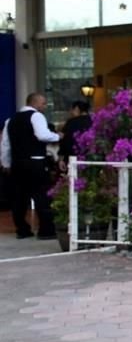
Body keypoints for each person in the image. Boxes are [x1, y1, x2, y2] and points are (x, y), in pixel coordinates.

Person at [0, 92, 60, 239]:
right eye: (43, 103)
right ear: (35, 103)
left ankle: (22, 230)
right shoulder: (36, 116)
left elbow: (5, 144)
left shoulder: (10, 120)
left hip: (17, 164)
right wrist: (58, 136)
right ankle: (46, 231)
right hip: (36, 162)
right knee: (42, 196)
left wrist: (6, 163)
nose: (45, 106)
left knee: (19, 198)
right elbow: (42, 135)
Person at [58, 100, 92, 168]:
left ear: (76, 109)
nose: (71, 112)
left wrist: (61, 159)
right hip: (91, 157)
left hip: (72, 157)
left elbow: (64, 140)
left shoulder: (71, 122)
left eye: (71, 110)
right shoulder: (93, 121)